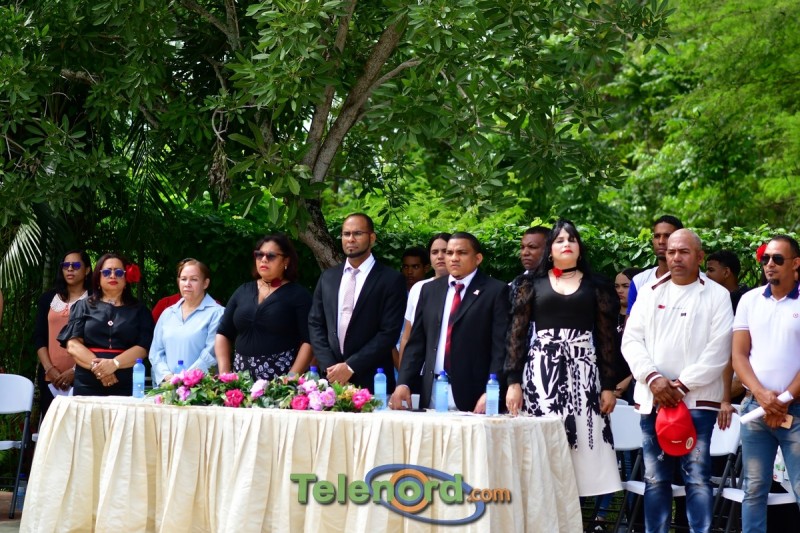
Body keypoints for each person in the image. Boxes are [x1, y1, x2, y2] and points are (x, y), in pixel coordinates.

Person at [622, 229, 733, 533]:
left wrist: (681, 386)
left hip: (698, 402)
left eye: (683, 251)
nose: (676, 257)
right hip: (653, 399)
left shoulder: (717, 295)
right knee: (655, 479)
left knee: (697, 479)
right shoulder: (650, 292)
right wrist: (653, 379)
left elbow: (719, 350)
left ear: (699, 256)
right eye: (671, 252)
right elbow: (631, 341)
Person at [505, 219, 623, 497]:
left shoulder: (597, 286)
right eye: (559, 240)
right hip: (541, 374)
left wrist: (608, 386)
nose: (566, 244)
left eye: (572, 239)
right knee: (542, 440)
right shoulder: (530, 283)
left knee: (583, 441)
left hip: (584, 375)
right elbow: (516, 335)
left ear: (580, 248)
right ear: (550, 249)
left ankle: (577, 514)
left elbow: (607, 339)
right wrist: (513, 381)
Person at [389, 232, 509, 412]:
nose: (454, 258)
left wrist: (491, 391)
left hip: (476, 395)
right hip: (432, 391)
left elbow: (501, 349)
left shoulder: (496, 291)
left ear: (478, 258)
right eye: (449, 252)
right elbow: (417, 344)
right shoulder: (429, 290)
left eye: (461, 253)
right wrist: (403, 383)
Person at [732, 235, 800, 532]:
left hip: (795, 410)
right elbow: (738, 355)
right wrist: (762, 396)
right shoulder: (749, 300)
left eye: (777, 259)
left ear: (795, 264)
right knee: (753, 490)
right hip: (755, 408)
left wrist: (783, 399)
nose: (769, 264)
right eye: (766, 259)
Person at [308, 213, 406, 392]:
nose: (351, 239)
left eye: (358, 233)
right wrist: (331, 367)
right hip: (331, 380)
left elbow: (389, 333)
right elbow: (315, 323)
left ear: (372, 238)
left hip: (373, 380)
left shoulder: (391, 280)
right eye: (346, 234)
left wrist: (350, 366)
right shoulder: (328, 277)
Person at [216, 235, 312, 380]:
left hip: (280, 381)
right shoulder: (243, 291)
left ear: (286, 260)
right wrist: (225, 373)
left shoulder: (298, 295)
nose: (264, 259)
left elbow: (309, 340)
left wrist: (292, 378)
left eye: (271, 256)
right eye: (259, 255)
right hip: (240, 380)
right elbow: (223, 332)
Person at [58, 253, 155, 396]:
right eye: (107, 272)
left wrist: (114, 364)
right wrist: (100, 369)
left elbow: (143, 348)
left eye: (119, 272)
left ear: (126, 278)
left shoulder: (140, 310)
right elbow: (73, 345)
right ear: (98, 278)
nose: (113, 276)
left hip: (126, 384)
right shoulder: (83, 306)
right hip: (87, 383)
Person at [33, 250, 92, 417]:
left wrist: (75, 371)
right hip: (50, 379)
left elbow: (97, 340)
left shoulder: (95, 300)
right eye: (66, 265)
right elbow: (39, 337)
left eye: (76, 265)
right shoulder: (48, 299)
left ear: (87, 270)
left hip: (84, 377)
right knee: (51, 428)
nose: (70, 269)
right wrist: (49, 369)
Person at [149, 259, 224, 385]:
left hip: (201, 388)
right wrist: (168, 377)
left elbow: (211, 353)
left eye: (194, 279)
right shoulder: (168, 313)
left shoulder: (217, 313)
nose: (187, 284)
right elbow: (156, 352)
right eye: (183, 279)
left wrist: (185, 379)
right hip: (166, 387)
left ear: (205, 283)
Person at [398, 233, 451, 361]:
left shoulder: (463, 288)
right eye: (434, 252)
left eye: (445, 251)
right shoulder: (418, 288)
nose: (440, 256)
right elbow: (406, 337)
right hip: (420, 366)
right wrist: (402, 370)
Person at [627, 215, 683, 314]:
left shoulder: (698, 281)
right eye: (657, 236)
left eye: (667, 236)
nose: (661, 241)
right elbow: (631, 321)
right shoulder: (639, 281)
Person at [613, 267, 644, 403]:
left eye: (626, 286)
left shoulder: (642, 317)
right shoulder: (607, 315)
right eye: (617, 286)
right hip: (608, 385)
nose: (620, 290)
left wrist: (626, 382)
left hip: (636, 384)